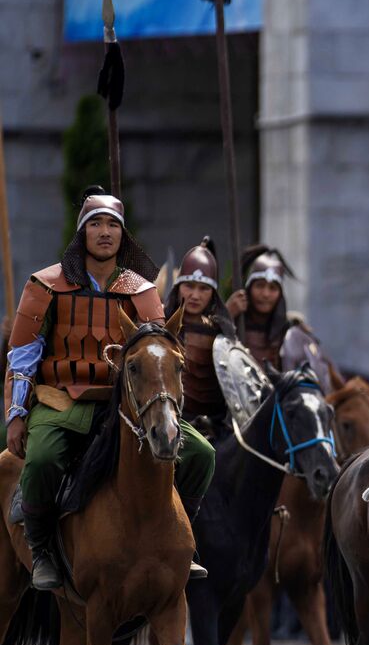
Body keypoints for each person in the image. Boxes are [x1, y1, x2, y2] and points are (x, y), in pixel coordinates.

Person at [3, 187, 214, 589]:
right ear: (82, 232)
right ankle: (43, 548)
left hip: (130, 403)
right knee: (44, 459)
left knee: (202, 454)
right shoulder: (46, 285)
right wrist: (16, 415)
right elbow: (23, 357)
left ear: (123, 235)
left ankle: (178, 539)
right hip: (62, 399)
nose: (104, 232)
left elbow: (161, 351)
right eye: (95, 224)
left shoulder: (141, 290)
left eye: (112, 225)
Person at [227, 245, 332, 390]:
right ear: (248, 288)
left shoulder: (292, 333)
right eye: (259, 285)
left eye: (273, 288)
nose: (265, 294)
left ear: (280, 293)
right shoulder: (231, 324)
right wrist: (227, 316)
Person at [163, 236, 237, 427]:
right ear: (179, 287)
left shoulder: (222, 333)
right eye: (189, 286)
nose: (195, 295)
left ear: (213, 292)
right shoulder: (161, 325)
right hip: (169, 423)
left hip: (214, 427)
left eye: (204, 288)